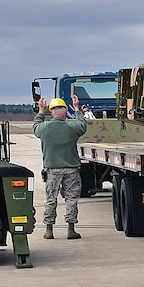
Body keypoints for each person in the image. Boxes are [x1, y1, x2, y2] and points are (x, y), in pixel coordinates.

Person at [33, 96, 88, 239]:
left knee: (51, 199)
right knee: (71, 199)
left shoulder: (44, 129)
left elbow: (35, 126)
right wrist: (76, 109)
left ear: (51, 113)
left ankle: (49, 229)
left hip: (52, 170)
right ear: (64, 112)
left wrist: (40, 110)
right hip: (71, 169)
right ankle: (71, 229)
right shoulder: (72, 127)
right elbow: (82, 125)